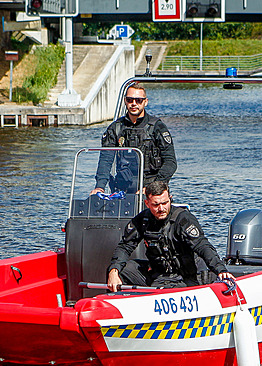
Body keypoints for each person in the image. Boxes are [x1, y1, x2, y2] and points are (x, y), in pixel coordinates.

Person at [107, 181, 235, 291]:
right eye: (156, 205)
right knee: (120, 270)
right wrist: (114, 270)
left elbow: (202, 245)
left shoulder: (183, 220)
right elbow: (125, 246)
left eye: (165, 203)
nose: (161, 208)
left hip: (186, 276)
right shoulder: (142, 220)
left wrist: (221, 270)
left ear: (170, 199)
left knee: (165, 287)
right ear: (147, 203)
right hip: (160, 274)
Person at [90, 83, 177, 195]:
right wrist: (100, 187)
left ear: (145, 102)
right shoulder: (116, 128)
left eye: (138, 100)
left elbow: (170, 162)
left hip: (152, 189)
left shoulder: (157, 127)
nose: (134, 104)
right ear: (125, 101)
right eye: (130, 100)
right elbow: (105, 160)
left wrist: (153, 188)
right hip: (123, 188)